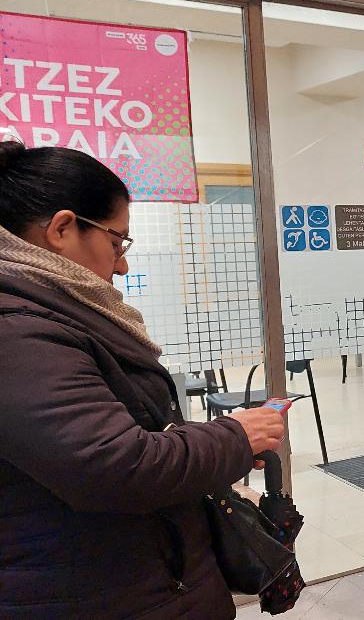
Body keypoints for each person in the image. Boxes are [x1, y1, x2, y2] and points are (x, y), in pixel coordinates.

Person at [0, 140, 287, 619]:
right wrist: (234, 436)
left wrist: (204, 446)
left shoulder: (47, 309)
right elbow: (113, 467)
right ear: (62, 229)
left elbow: (111, 433)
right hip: (97, 590)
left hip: (134, 576)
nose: (122, 263)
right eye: (116, 242)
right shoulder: (18, 328)